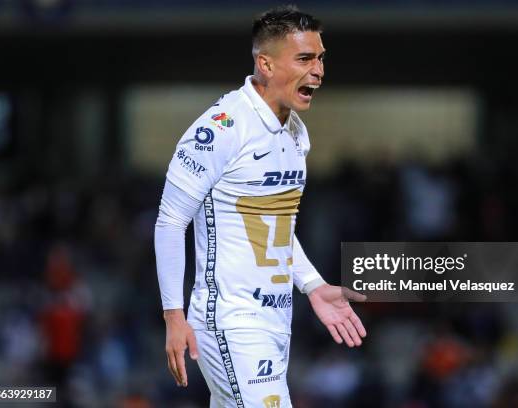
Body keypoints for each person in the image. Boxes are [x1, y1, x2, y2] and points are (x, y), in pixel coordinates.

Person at [154, 5, 367, 407]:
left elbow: (277, 225)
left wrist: (312, 284)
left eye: (321, 58)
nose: (318, 70)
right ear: (265, 64)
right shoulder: (220, 128)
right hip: (231, 319)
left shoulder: (294, 133)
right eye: (305, 58)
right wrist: (173, 315)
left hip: (274, 318)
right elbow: (169, 222)